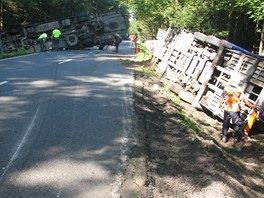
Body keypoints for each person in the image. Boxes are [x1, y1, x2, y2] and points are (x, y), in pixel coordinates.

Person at [218, 79, 257, 143]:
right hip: (235, 109)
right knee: (236, 124)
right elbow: (244, 100)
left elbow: (221, 97)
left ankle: (224, 136)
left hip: (227, 109)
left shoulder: (227, 88)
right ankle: (235, 138)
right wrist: (253, 106)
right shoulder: (239, 90)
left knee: (225, 123)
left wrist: (219, 106)